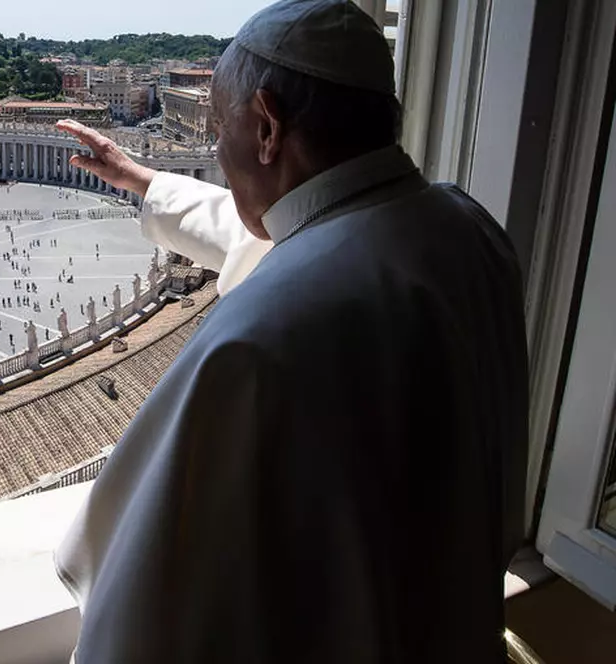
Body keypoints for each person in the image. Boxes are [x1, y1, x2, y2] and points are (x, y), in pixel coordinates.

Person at [53, 1, 528, 662]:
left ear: (269, 128)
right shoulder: (467, 227)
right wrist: (143, 180)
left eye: (221, 128)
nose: (215, 152)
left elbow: (144, 608)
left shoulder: (258, 339)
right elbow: (285, 232)